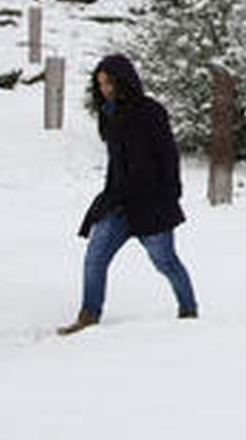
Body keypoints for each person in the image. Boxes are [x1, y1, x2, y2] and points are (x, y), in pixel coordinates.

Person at [59, 54, 198, 334]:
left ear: (124, 80)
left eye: (109, 82)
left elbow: (168, 155)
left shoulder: (151, 111)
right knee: (95, 257)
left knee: (165, 261)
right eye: (100, 84)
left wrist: (170, 196)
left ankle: (189, 310)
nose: (105, 89)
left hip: (152, 204)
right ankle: (89, 315)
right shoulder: (107, 114)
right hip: (117, 203)